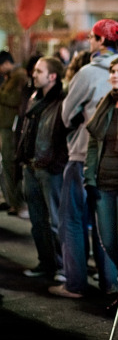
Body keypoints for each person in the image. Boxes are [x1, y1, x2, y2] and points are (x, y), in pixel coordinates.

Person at [65, 56, 118, 305]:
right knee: (108, 243)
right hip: (102, 183)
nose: (114, 75)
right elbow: (93, 142)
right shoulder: (106, 103)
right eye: (112, 71)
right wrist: (89, 179)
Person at [54, 20, 118, 299]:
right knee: (104, 223)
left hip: (83, 154)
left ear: (98, 41)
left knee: (72, 219)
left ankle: (75, 283)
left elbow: (66, 114)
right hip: (116, 160)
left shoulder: (87, 73)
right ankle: (110, 284)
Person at [16, 57, 68, 279]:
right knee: (37, 222)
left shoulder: (62, 101)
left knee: (56, 221)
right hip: (32, 165)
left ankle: (62, 267)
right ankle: (45, 263)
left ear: (52, 76)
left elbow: (66, 136)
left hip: (49, 169)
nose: (34, 75)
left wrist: (56, 164)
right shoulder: (34, 96)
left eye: (39, 71)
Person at [0, 53, 27, 216]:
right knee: (7, 166)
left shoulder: (19, 76)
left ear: (6, 63)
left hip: (11, 127)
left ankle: (17, 203)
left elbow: (15, 99)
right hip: (6, 125)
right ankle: (13, 202)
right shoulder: (10, 77)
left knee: (11, 164)